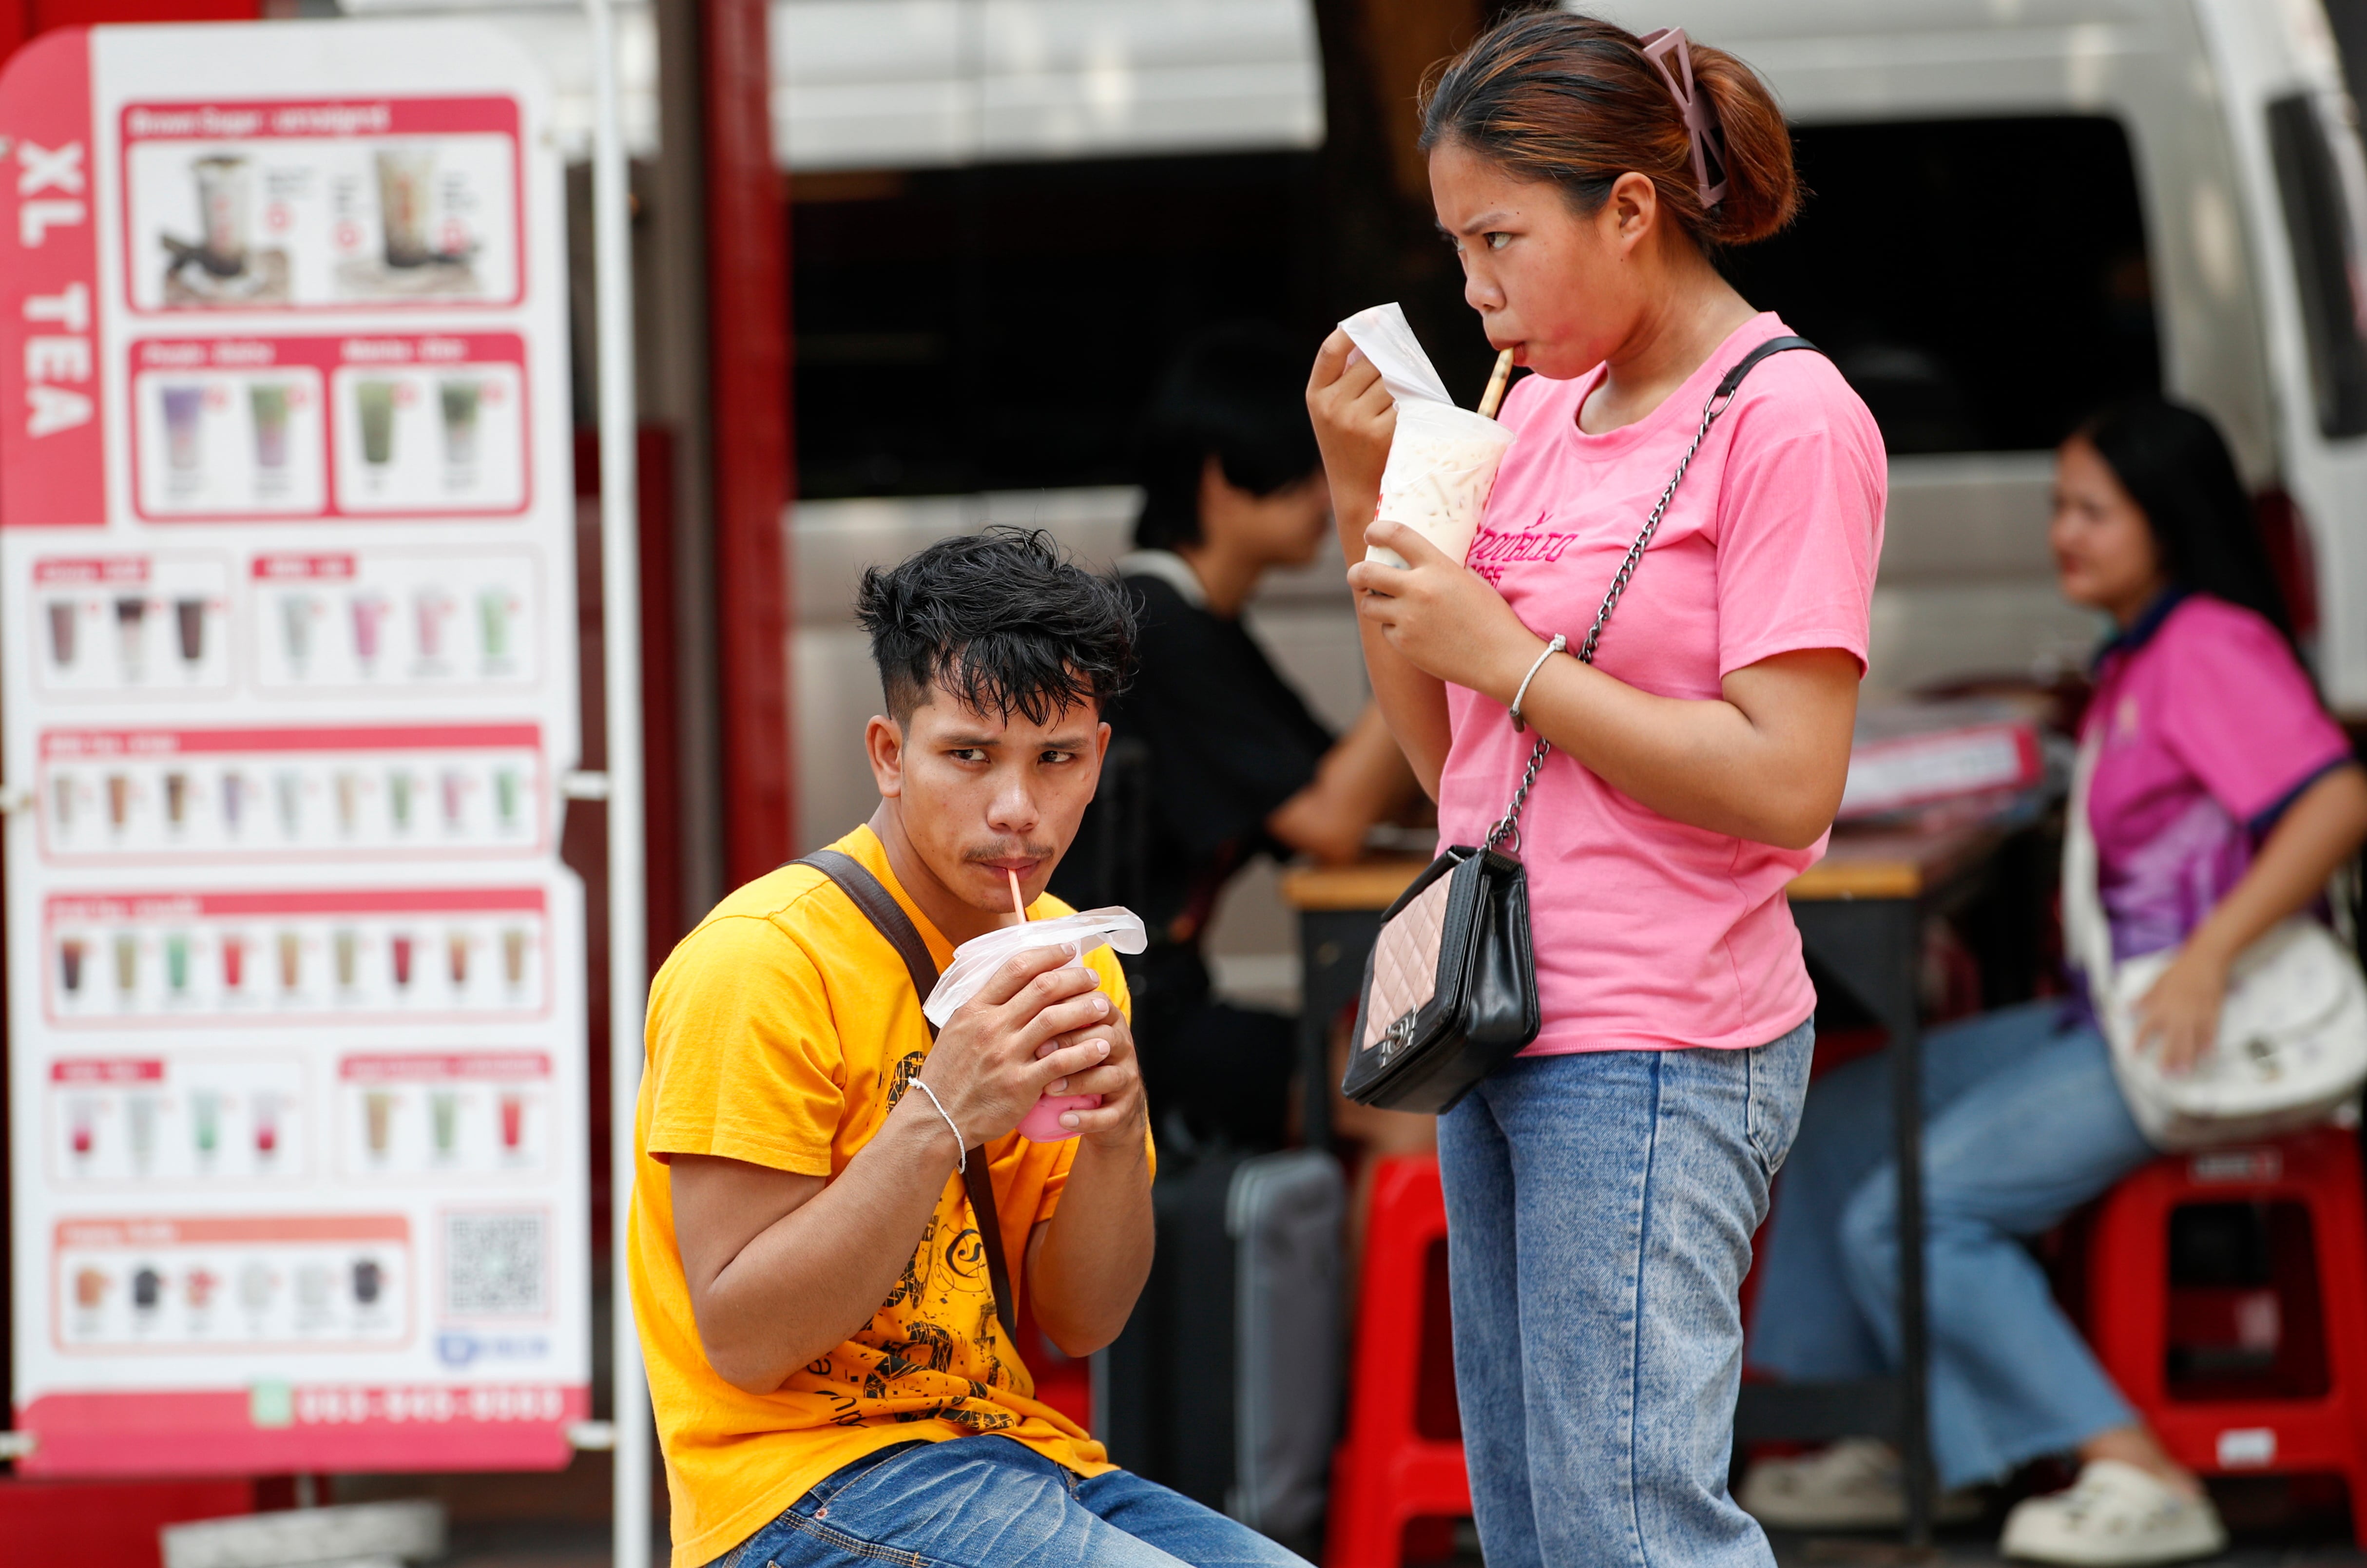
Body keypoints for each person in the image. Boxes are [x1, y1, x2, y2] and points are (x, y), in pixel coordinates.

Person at [1305, 14, 1884, 1567]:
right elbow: (1458, 774)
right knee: (1541, 1527)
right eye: (1457, 245)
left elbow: (1787, 782)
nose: (1477, 289)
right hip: (1496, 1010)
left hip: (1660, 1035)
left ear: (1631, 207)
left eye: (1501, 239)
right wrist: (1370, 506)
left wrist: (1507, 654)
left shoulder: (1790, 419)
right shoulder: (1530, 406)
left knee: (1634, 1529)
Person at [1741, 397, 2367, 1563]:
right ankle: (1892, 1430)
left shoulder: (2206, 647)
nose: (2061, 534)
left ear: (2165, 524)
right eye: (2056, 508)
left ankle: (2132, 1467)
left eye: (2090, 511)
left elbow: (2335, 798)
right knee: (1833, 1119)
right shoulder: (2139, 650)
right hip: (2109, 1015)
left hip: (2186, 1028)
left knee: (1918, 1212)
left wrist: (2206, 957)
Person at [626, 529, 1314, 1568]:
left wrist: (1119, 1135)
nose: (1016, 810)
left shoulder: (1073, 961)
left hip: (1011, 1453)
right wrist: (940, 1115)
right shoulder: (761, 963)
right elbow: (743, 1336)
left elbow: (1082, 1318)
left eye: (1057, 759)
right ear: (888, 755)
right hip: (791, 1484)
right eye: (967, 755)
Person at [1056, 325, 1416, 1149]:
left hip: (1150, 1002)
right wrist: (1419, 618)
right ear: (1221, 478)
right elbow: (1328, 822)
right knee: (1403, 1099)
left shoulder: (1194, 621)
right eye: (1305, 470)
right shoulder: (1153, 628)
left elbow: (1350, 787)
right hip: (1111, 1027)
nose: (1327, 499)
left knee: (1401, 1064)